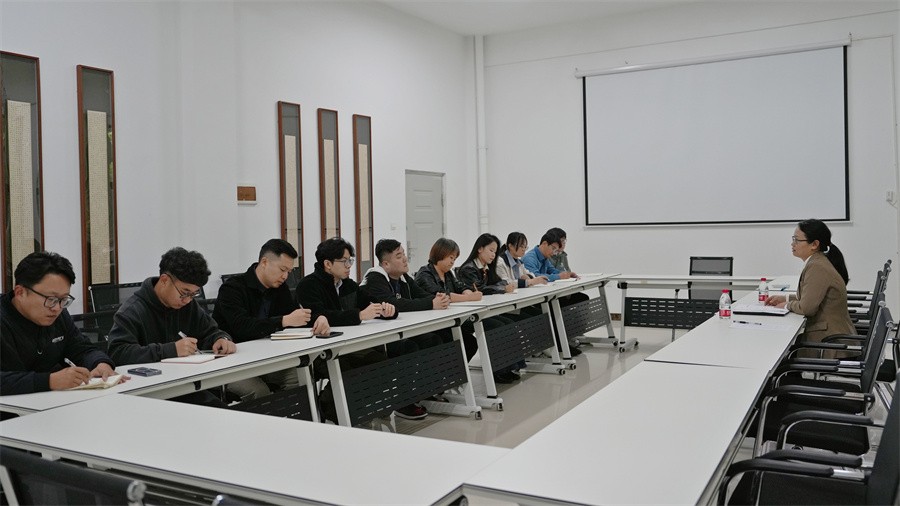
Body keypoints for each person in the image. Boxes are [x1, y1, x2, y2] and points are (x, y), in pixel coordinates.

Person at [107, 247, 236, 408]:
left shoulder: (188, 306)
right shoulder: (132, 311)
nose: (187, 300)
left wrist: (221, 339)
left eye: (194, 294)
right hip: (146, 394)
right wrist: (171, 350)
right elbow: (118, 353)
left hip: (184, 386)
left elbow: (210, 331)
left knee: (222, 412)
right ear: (164, 280)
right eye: (184, 292)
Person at [213, 239, 329, 401]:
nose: (285, 276)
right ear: (264, 262)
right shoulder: (232, 288)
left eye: (289, 271)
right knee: (259, 392)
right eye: (282, 270)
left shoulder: (279, 288)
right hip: (233, 362)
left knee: (300, 378)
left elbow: (295, 316)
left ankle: (292, 416)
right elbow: (242, 326)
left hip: (268, 357)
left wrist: (318, 318)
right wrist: (283, 321)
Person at [295, 237, 396, 421]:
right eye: (344, 261)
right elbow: (320, 316)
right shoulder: (308, 285)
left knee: (379, 361)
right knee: (346, 369)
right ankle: (330, 409)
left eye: (350, 260)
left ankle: (365, 407)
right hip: (321, 350)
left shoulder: (348, 284)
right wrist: (359, 315)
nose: (349, 266)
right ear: (327, 264)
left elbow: (369, 303)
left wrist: (387, 310)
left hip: (348, 345)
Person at [1, 252, 124, 397]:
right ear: (20, 292)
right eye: (51, 299)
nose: (57, 308)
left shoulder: (58, 315)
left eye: (64, 300)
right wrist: (49, 381)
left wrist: (100, 363)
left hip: (48, 402)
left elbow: (82, 349)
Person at [361, 238, 448, 419]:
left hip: (400, 331)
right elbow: (396, 304)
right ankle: (403, 401)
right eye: (399, 256)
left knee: (435, 339)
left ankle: (425, 391)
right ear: (386, 263)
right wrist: (431, 303)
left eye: (404, 254)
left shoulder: (404, 278)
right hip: (377, 339)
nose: (405, 259)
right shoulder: (374, 278)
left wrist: (438, 298)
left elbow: (421, 295)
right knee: (410, 347)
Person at [414, 237, 520, 383]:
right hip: (435, 322)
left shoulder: (448, 273)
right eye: (451, 257)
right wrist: (468, 297)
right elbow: (441, 295)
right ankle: (451, 378)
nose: (453, 262)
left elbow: (461, 286)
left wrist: (467, 292)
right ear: (440, 254)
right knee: (483, 334)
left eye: (454, 258)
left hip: (456, 315)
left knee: (504, 324)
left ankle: (505, 368)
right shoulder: (425, 273)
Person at [764, 219, 855, 357]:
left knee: (781, 357)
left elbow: (807, 308)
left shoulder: (817, 267)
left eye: (797, 240)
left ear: (814, 244)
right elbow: (810, 297)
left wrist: (787, 305)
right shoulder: (817, 261)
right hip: (829, 338)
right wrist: (785, 298)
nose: (792, 244)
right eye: (793, 239)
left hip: (830, 345)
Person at [522, 228, 586, 355]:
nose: (554, 252)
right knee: (557, 306)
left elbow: (553, 271)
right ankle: (559, 343)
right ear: (544, 244)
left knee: (580, 298)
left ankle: (567, 337)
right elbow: (536, 277)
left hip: (545, 294)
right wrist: (559, 276)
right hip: (532, 297)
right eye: (553, 248)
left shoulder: (545, 257)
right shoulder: (530, 258)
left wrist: (567, 274)